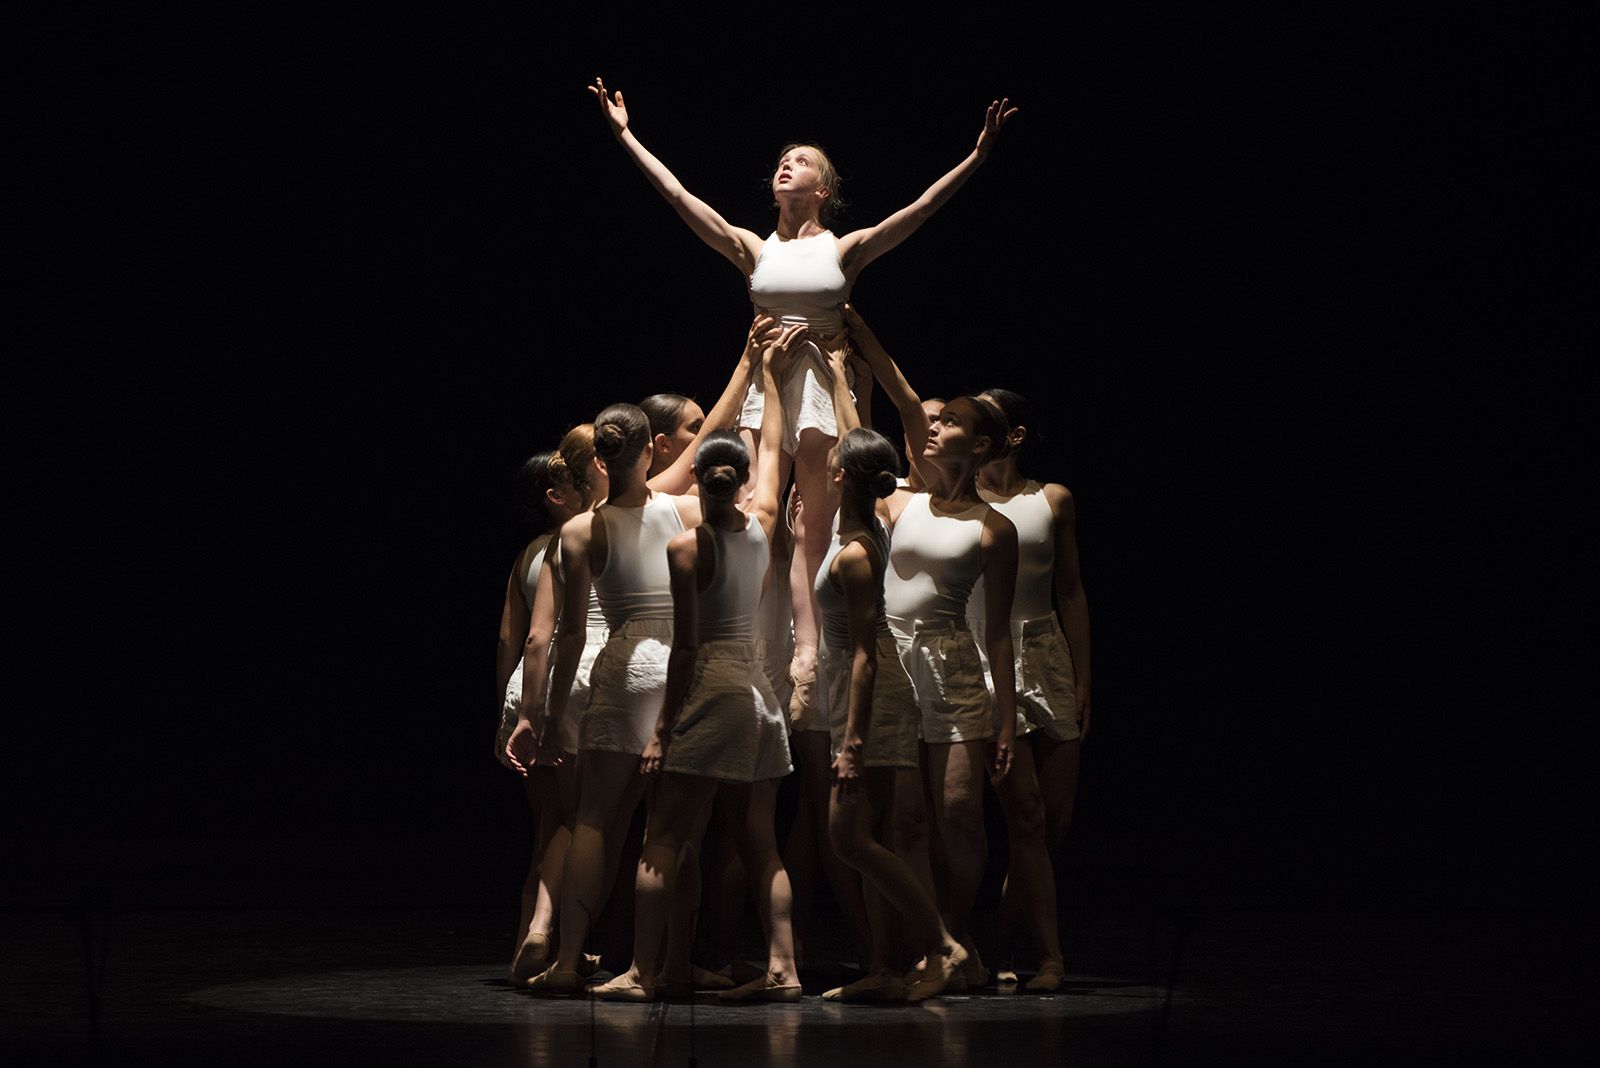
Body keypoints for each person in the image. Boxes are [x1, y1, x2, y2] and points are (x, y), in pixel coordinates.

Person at [585, 76, 1018, 751]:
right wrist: (624, 133)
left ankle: (811, 650)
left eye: (804, 160)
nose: (787, 163)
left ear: (822, 189)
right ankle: (739, 643)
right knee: (759, 513)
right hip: (765, 382)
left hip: (820, 385)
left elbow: (924, 209)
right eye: (784, 159)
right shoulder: (757, 249)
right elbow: (676, 197)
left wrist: (979, 155)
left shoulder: (840, 248)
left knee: (815, 523)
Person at [508, 318, 777, 996]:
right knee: (673, 828)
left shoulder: (578, 531)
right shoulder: (684, 510)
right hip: (680, 672)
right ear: (646, 455)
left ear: (598, 459)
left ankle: (570, 960)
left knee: (598, 817)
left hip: (626, 664)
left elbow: (569, 636)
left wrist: (540, 714)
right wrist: (758, 370)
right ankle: (671, 961)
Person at [591, 327, 807, 1002]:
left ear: (700, 482)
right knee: (761, 841)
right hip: (756, 687)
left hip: (710, 687)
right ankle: (783, 968)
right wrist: (770, 379)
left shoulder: (687, 549)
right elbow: (773, 452)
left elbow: (685, 649)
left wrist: (659, 735)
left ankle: (647, 972)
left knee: (664, 837)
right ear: (738, 481)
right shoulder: (764, 521)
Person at [846, 304, 1020, 989]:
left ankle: (959, 936)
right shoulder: (898, 502)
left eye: (951, 424)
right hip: (893, 660)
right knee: (906, 818)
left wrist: (1006, 718)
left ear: (979, 446)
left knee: (958, 816)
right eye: (936, 420)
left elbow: (998, 631)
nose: (934, 425)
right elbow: (894, 404)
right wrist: (855, 342)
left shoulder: (994, 529)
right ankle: (927, 948)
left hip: (952, 665)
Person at [969, 387, 1091, 992]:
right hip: (989, 659)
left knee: (1056, 818)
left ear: (1013, 436)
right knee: (1026, 813)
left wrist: (1083, 675)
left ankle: (997, 935)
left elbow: (1070, 590)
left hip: (1047, 656)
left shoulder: (1052, 500)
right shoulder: (956, 505)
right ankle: (1051, 954)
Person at [493, 450, 585, 982]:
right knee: (575, 825)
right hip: (557, 688)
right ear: (556, 496)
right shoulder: (579, 541)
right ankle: (554, 941)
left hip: (521, 691)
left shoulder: (526, 553)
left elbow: (508, 636)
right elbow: (535, 636)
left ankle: (523, 951)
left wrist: (502, 715)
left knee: (545, 831)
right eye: (573, 478)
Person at [640, 393, 706, 479]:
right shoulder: (642, 492)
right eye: (696, 427)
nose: (707, 435)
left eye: (705, 427)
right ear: (664, 444)